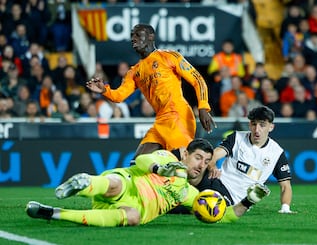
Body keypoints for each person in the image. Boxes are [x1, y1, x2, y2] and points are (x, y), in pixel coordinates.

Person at [25, 138, 270, 227]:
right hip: (128, 184)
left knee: (132, 217)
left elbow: (223, 214)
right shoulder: (168, 159)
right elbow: (143, 159)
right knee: (114, 184)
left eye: (206, 161)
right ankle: (84, 183)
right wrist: (158, 169)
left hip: (135, 210)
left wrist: (248, 201)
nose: (201, 164)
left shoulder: (187, 192)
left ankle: (53, 213)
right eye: (197, 157)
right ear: (185, 154)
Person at [86, 24, 215, 159]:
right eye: (131, 36)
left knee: (181, 164)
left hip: (178, 115)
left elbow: (197, 79)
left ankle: (210, 174)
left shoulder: (168, 56)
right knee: (138, 162)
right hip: (160, 120)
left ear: (151, 36)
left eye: (137, 35)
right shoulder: (134, 72)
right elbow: (119, 96)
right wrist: (104, 90)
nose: (133, 39)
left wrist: (203, 107)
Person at [208, 105, 296, 214]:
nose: (257, 130)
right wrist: (212, 166)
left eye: (262, 125)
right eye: (254, 124)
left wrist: (285, 208)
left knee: (207, 208)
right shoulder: (237, 138)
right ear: (249, 125)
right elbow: (214, 155)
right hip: (217, 183)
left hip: (236, 200)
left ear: (271, 127)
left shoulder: (276, 153)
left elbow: (285, 186)